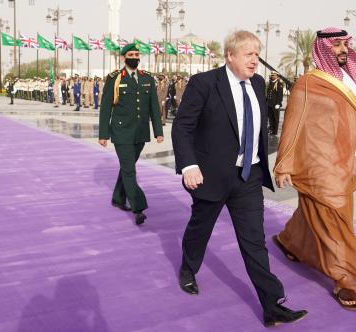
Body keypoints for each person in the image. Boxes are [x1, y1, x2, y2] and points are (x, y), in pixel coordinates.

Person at [171, 30, 307, 327]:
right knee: (200, 229)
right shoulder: (204, 83)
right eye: (249, 54)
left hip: (248, 178)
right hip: (211, 176)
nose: (255, 61)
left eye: (257, 54)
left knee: (254, 242)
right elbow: (182, 127)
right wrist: (189, 165)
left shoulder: (258, 84)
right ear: (230, 56)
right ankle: (187, 268)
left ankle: (272, 306)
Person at [273, 27, 356, 311]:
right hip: (318, 163)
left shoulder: (353, 79)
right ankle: (344, 279)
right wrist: (284, 165)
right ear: (323, 48)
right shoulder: (308, 83)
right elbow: (293, 124)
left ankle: (290, 241)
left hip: (345, 159)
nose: (342, 50)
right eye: (336, 45)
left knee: (318, 210)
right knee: (336, 217)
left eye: (345, 44)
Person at [98, 43, 164, 225]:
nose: (135, 57)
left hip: (140, 133)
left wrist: (158, 131)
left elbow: (154, 108)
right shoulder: (115, 78)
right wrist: (103, 134)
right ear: (123, 57)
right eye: (131, 54)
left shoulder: (147, 79)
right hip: (121, 132)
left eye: (137, 54)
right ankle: (139, 207)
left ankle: (118, 198)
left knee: (127, 168)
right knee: (129, 170)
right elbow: (105, 108)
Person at [266, 71, 284, 135]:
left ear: (277, 76)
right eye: (272, 75)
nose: (272, 76)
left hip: (275, 104)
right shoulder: (270, 83)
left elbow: (280, 95)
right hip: (269, 104)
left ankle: (275, 131)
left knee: (275, 118)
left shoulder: (279, 84)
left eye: (274, 75)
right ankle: (271, 129)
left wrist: (278, 103)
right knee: (270, 118)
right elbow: (268, 94)